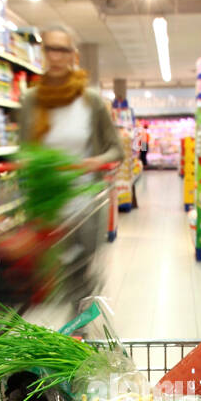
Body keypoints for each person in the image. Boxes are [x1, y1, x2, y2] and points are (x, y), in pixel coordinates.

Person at [18, 26, 122, 305]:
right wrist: (27, 162)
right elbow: (23, 148)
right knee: (52, 273)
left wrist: (94, 162)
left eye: (62, 50)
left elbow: (116, 149)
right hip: (47, 203)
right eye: (50, 49)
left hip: (85, 201)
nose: (56, 56)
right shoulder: (31, 100)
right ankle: (65, 322)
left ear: (73, 55)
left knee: (82, 267)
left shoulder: (91, 101)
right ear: (43, 53)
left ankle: (78, 327)